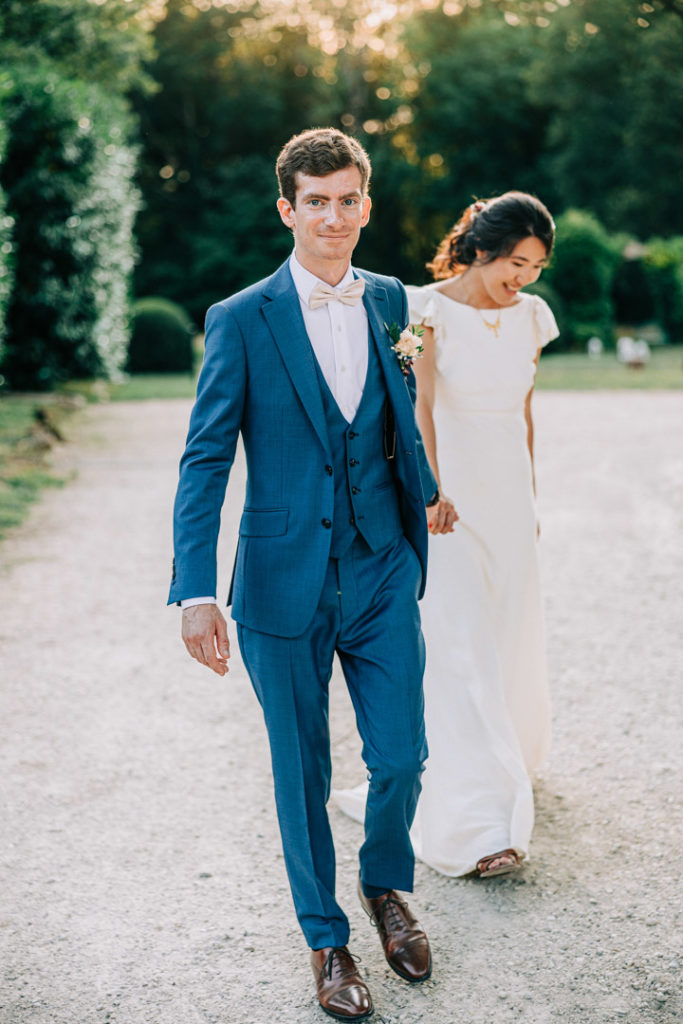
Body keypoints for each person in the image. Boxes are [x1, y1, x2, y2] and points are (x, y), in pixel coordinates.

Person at [168, 128, 456, 1022]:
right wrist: (193, 588)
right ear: (287, 209)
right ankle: (326, 943)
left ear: (365, 206)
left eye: (347, 200)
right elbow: (206, 457)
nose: (333, 217)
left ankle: (383, 887)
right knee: (298, 769)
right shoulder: (241, 317)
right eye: (315, 202)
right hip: (280, 579)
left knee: (401, 755)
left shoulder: (392, 300)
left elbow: (402, 420)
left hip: (379, 568)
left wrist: (427, 504)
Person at [334, 192, 558, 879]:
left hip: (508, 500)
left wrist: (531, 495)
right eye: (515, 262)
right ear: (482, 248)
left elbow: (522, 412)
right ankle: (475, 820)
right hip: (448, 503)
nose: (522, 277)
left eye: (536, 266)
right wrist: (427, 490)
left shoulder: (532, 317)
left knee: (509, 626)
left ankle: (507, 761)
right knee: (457, 640)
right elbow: (418, 406)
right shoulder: (422, 310)